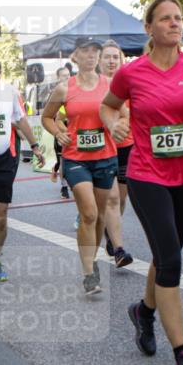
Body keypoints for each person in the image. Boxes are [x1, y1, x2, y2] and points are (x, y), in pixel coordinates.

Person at [100, 0, 183, 365]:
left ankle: (144, 310)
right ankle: (182, 353)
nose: (175, 24)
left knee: (164, 253)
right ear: (149, 27)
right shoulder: (132, 73)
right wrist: (113, 124)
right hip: (147, 176)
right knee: (171, 259)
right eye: (166, 19)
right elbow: (108, 106)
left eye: (178, 18)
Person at [42, 37, 119, 295]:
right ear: (75, 56)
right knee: (88, 213)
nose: (91, 55)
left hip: (106, 156)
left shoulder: (110, 85)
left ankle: (91, 259)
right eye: (85, 51)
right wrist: (58, 132)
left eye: (95, 51)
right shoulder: (65, 88)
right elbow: (47, 117)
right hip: (76, 158)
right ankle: (88, 273)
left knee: (99, 216)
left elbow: (124, 113)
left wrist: (118, 125)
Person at [0, 55, 45, 288]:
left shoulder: (9, 92)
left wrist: (35, 146)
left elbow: (21, 120)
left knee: (1, 216)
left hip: (5, 160)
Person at [99, 40, 134, 267]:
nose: (112, 61)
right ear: (99, 61)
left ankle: (110, 231)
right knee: (111, 198)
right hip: (103, 148)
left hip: (126, 145)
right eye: (107, 57)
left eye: (115, 57)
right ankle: (118, 246)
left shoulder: (130, 82)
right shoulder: (94, 84)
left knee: (120, 198)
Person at [48, 66, 72, 199]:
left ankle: (56, 169)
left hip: (75, 130)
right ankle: (64, 187)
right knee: (62, 160)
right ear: (58, 78)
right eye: (64, 75)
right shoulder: (56, 93)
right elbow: (49, 115)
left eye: (68, 75)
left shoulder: (75, 90)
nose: (67, 77)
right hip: (60, 129)